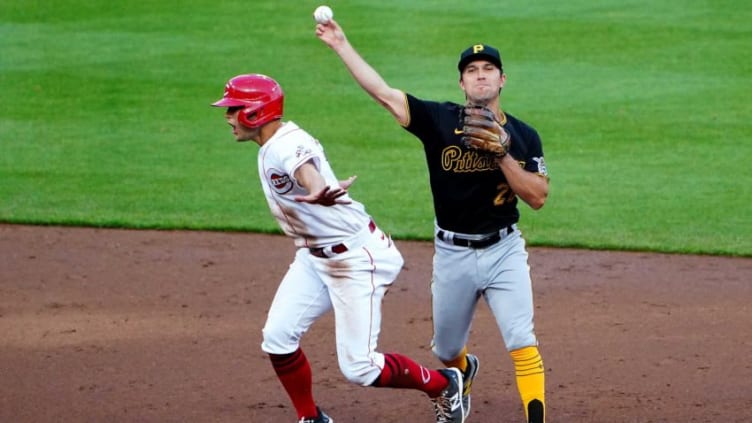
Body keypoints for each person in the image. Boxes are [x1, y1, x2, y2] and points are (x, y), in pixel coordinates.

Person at [316, 19, 549, 423]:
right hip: (452, 253)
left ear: (502, 79)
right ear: (461, 84)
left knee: (521, 339)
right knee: (445, 349)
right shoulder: (440, 121)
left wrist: (501, 156)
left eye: (488, 69)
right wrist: (341, 45)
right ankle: (463, 374)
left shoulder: (524, 136)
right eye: (471, 71)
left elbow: (537, 197)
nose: (480, 76)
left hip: (504, 250)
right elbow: (383, 94)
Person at [210, 73, 468, 423]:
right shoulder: (273, 142)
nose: (227, 117)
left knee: (360, 367)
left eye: (233, 110)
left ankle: (443, 384)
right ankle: (310, 418)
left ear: (255, 112)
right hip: (315, 257)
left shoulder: (285, 145)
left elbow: (306, 169)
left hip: (355, 259)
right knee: (278, 337)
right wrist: (318, 188)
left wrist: (318, 186)